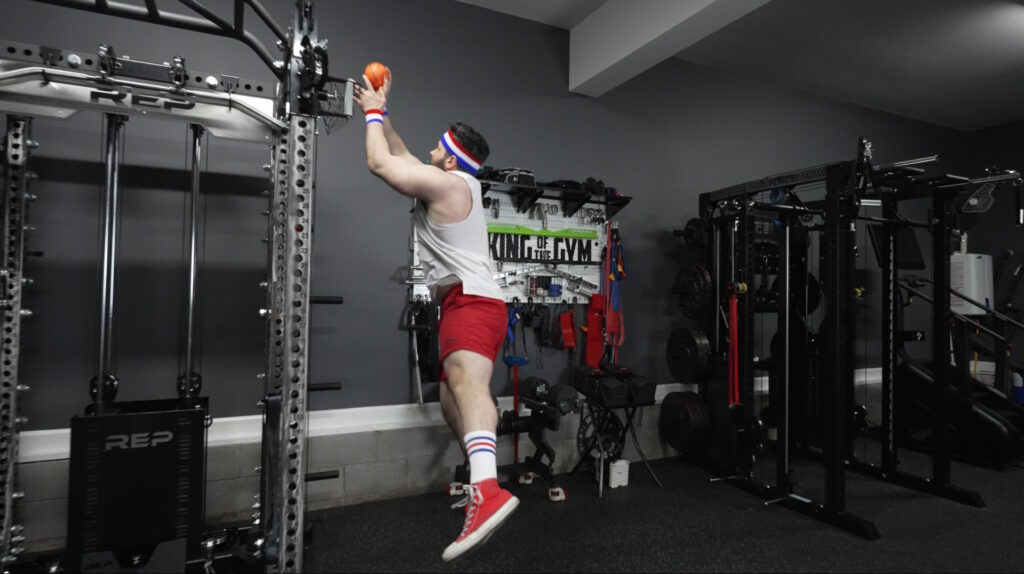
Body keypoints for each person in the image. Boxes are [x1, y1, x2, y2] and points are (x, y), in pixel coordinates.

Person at [353, 72, 519, 562]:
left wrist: (371, 116)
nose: (427, 152)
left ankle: (487, 490)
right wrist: (383, 108)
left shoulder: (447, 186)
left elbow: (379, 161)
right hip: (462, 303)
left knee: (467, 385)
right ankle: (481, 478)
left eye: (436, 148)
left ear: (449, 158)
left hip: (473, 302)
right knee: (451, 399)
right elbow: (401, 151)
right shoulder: (453, 180)